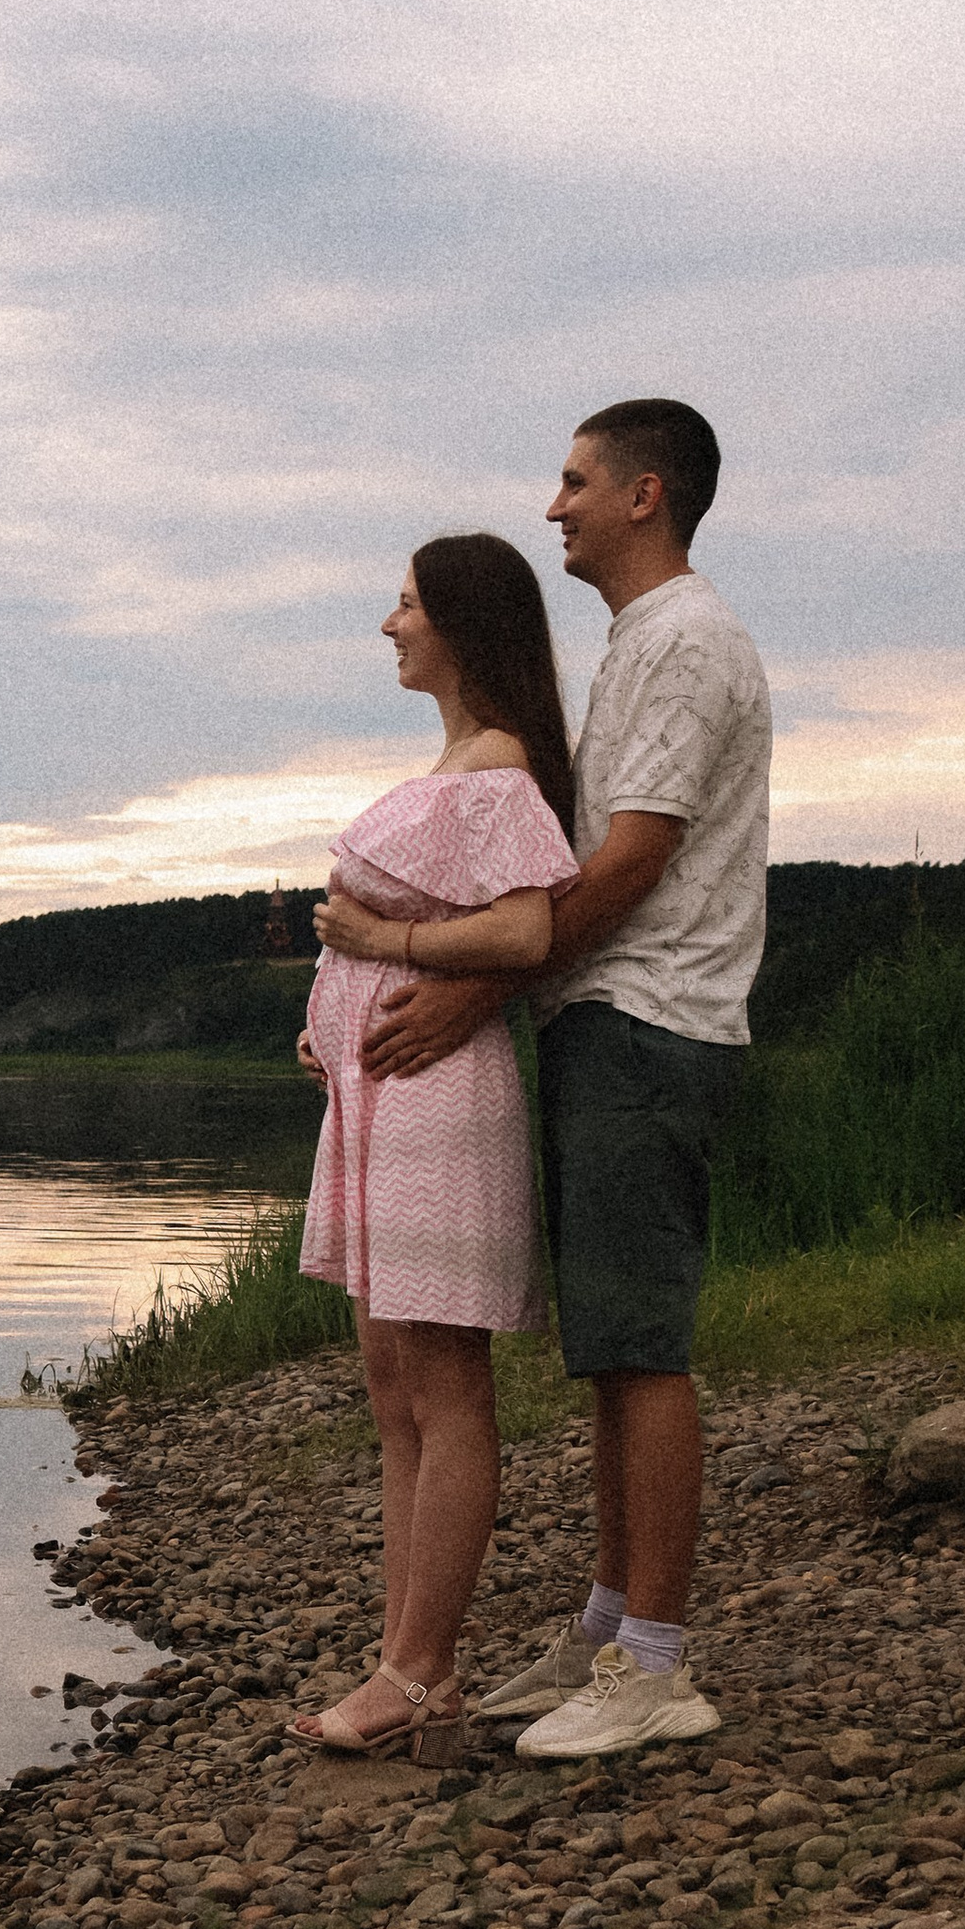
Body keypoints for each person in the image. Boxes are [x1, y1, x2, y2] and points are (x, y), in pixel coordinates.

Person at [323, 400, 770, 1761]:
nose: (554, 505)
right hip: (603, 1014)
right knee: (608, 1348)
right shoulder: (642, 643)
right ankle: (606, 1628)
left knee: (640, 1348)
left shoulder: (687, 643)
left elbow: (629, 860)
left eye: (575, 481)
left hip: (651, 1012)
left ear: (646, 493)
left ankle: (654, 1663)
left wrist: (464, 982)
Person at [288, 533, 580, 1764]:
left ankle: (415, 1671)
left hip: (434, 1095)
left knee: (442, 1385)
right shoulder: (457, 765)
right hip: (377, 1099)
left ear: (460, 624)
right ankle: (410, 1659)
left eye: (406, 604)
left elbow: (521, 934)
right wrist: (327, 1021)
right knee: (390, 1381)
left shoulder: (497, 771)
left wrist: (381, 946)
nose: (389, 624)